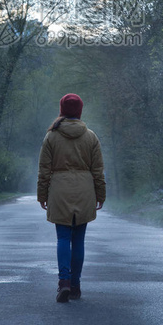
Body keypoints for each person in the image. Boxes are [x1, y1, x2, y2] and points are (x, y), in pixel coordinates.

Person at [37, 93, 106, 303]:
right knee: (78, 240)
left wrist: (42, 194)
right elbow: (98, 171)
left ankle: (63, 282)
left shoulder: (51, 136)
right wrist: (100, 194)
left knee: (63, 238)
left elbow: (44, 170)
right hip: (85, 191)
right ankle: (75, 285)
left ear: (62, 110)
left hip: (59, 192)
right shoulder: (91, 137)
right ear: (80, 111)